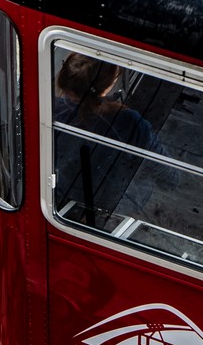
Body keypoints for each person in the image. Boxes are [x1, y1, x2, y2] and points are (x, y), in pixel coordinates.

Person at [52, 52, 169, 225]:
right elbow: (167, 175)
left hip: (58, 196)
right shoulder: (129, 122)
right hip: (113, 209)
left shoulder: (47, 107)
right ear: (107, 85)